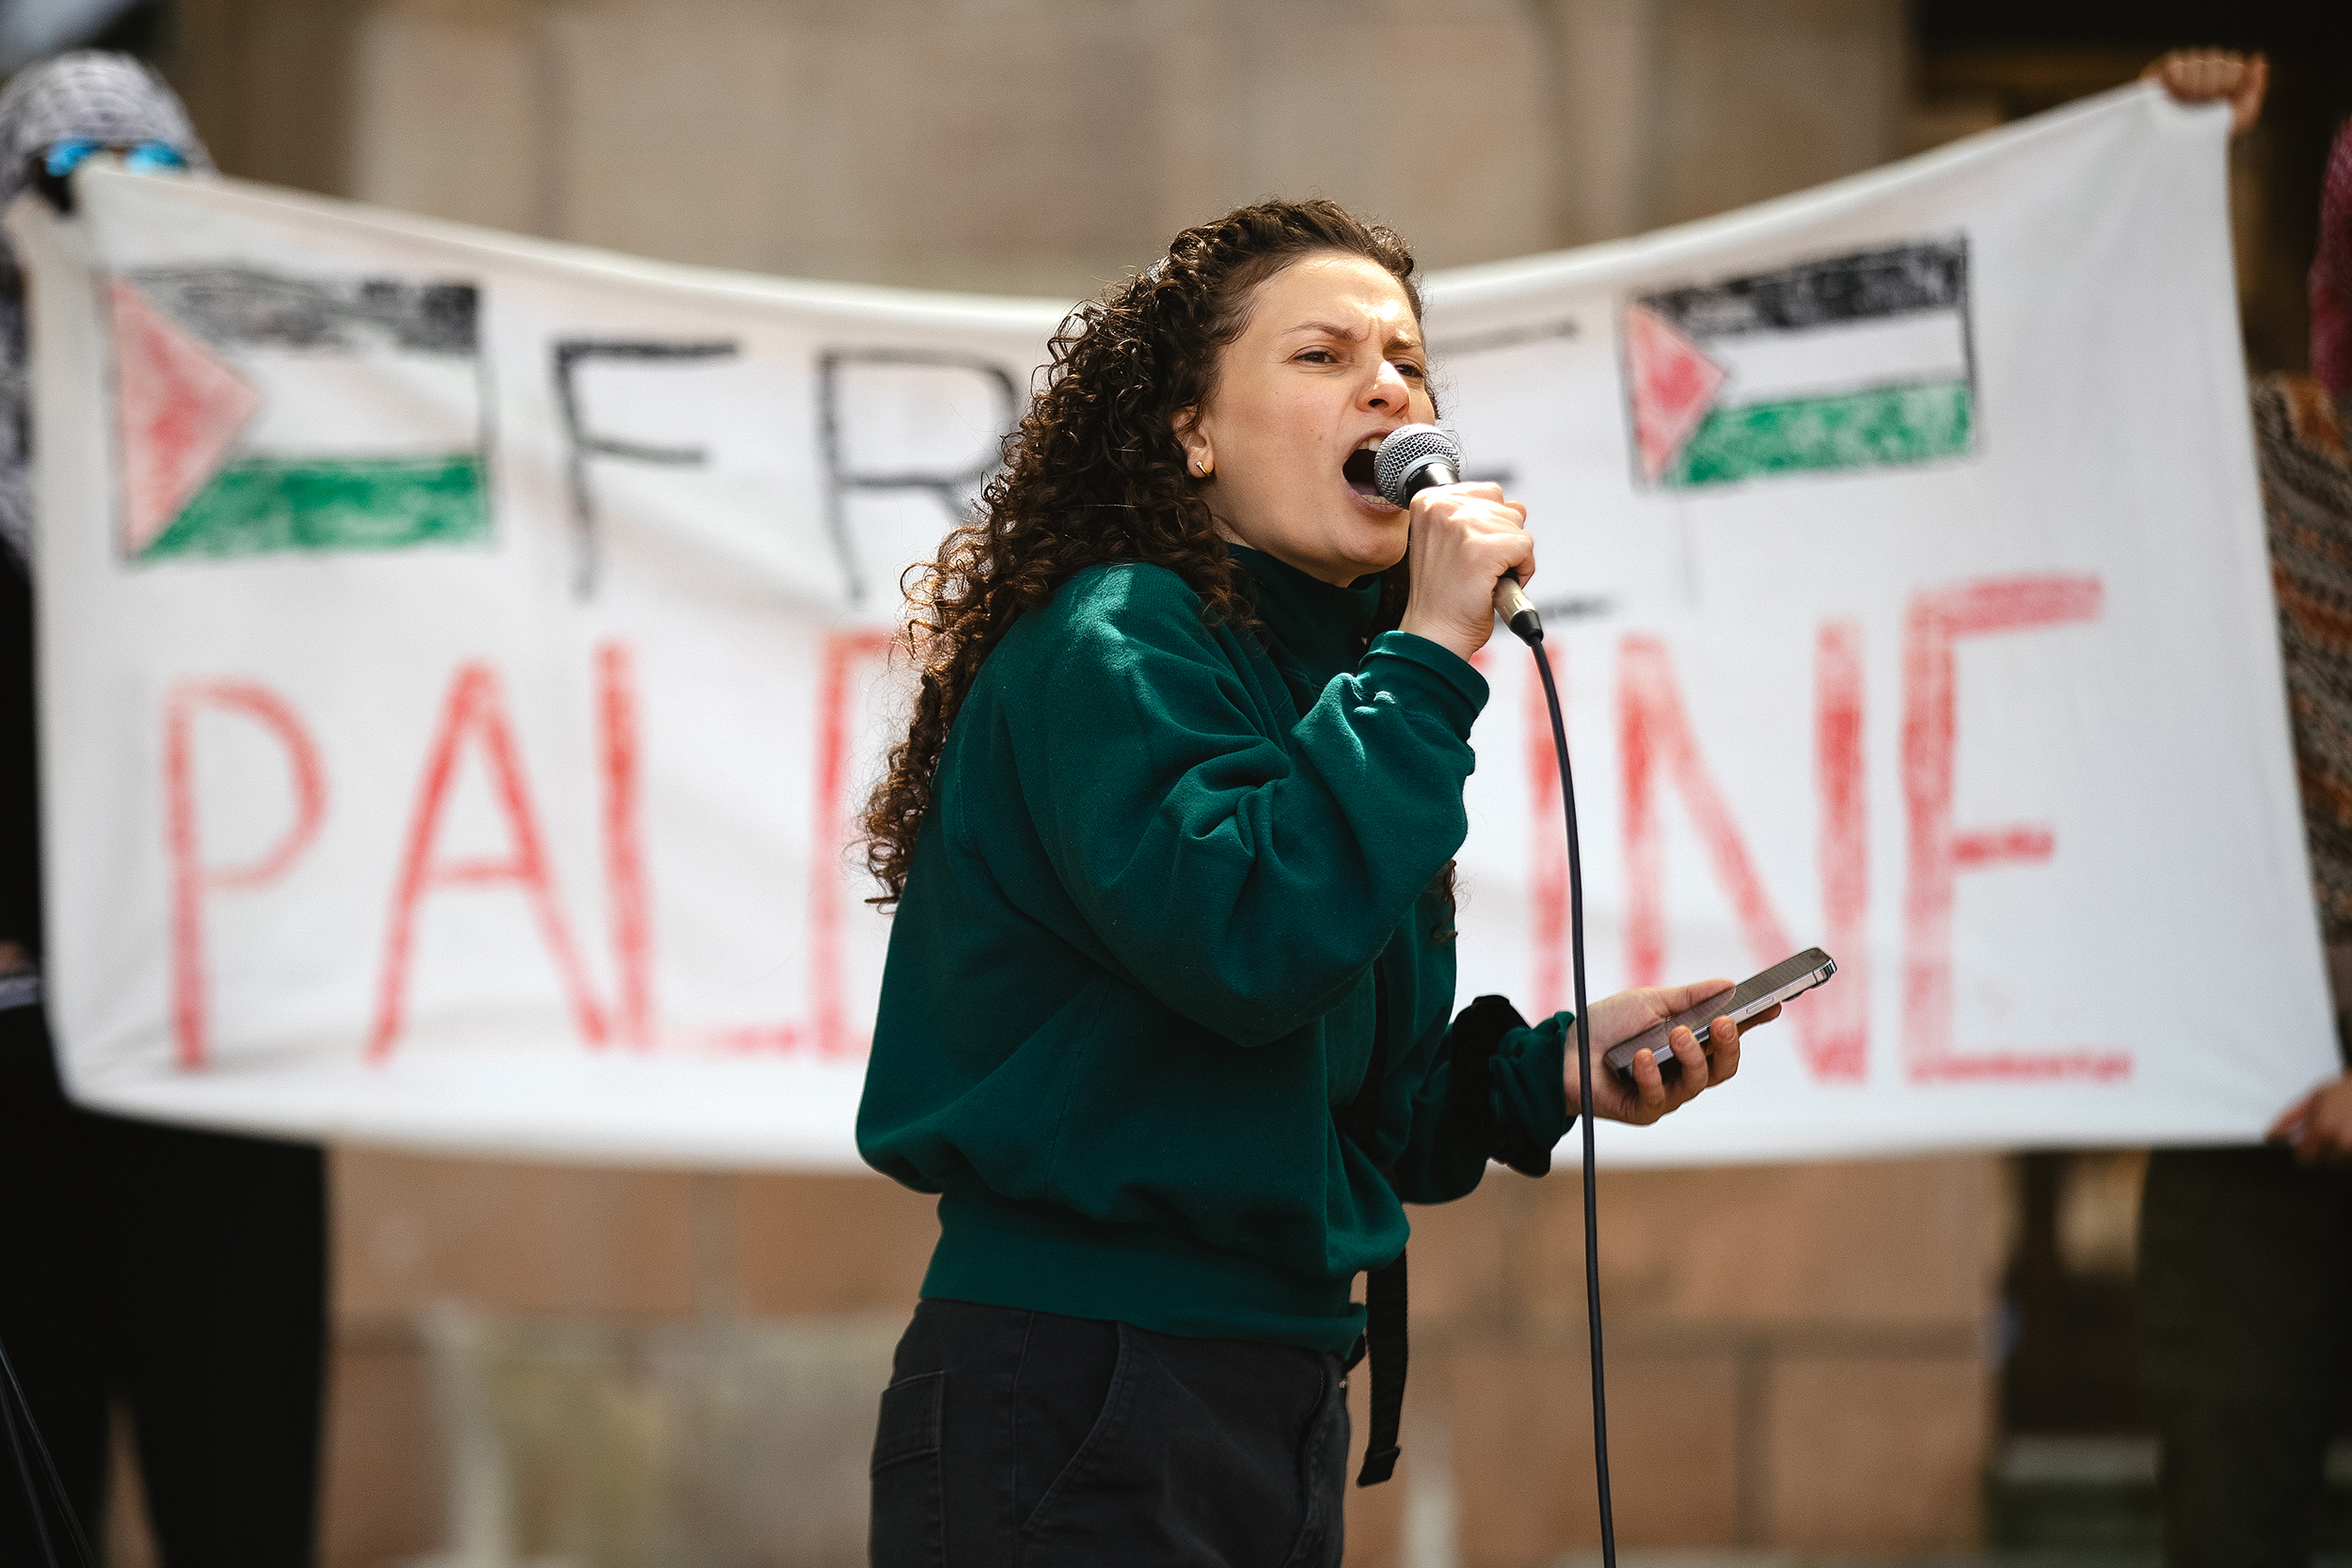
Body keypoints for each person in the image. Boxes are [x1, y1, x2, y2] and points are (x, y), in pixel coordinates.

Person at [853, 199, 1766, 1566]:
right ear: (1192, 432)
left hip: (1267, 1385)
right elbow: (1253, 941)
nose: (1388, 384)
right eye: (1323, 356)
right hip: (1084, 1383)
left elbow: (1340, 1097)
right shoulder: (1117, 639)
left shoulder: (1333, 686)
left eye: (1406, 358)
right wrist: (1431, 659)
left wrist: (1553, 1071)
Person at [0, 54, 327, 1567]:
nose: (110, 216)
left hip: (219, 1054)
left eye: (152, 181)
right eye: (68, 179)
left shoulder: (302, 445)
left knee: (236, 1481)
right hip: (17, 1049)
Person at [2135, 50, 2352, 1568]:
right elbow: (2088, 430)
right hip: (2247, 1119)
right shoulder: (2254, 455)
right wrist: (2162, 164)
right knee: (2231, 1503)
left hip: (2270, 1097)